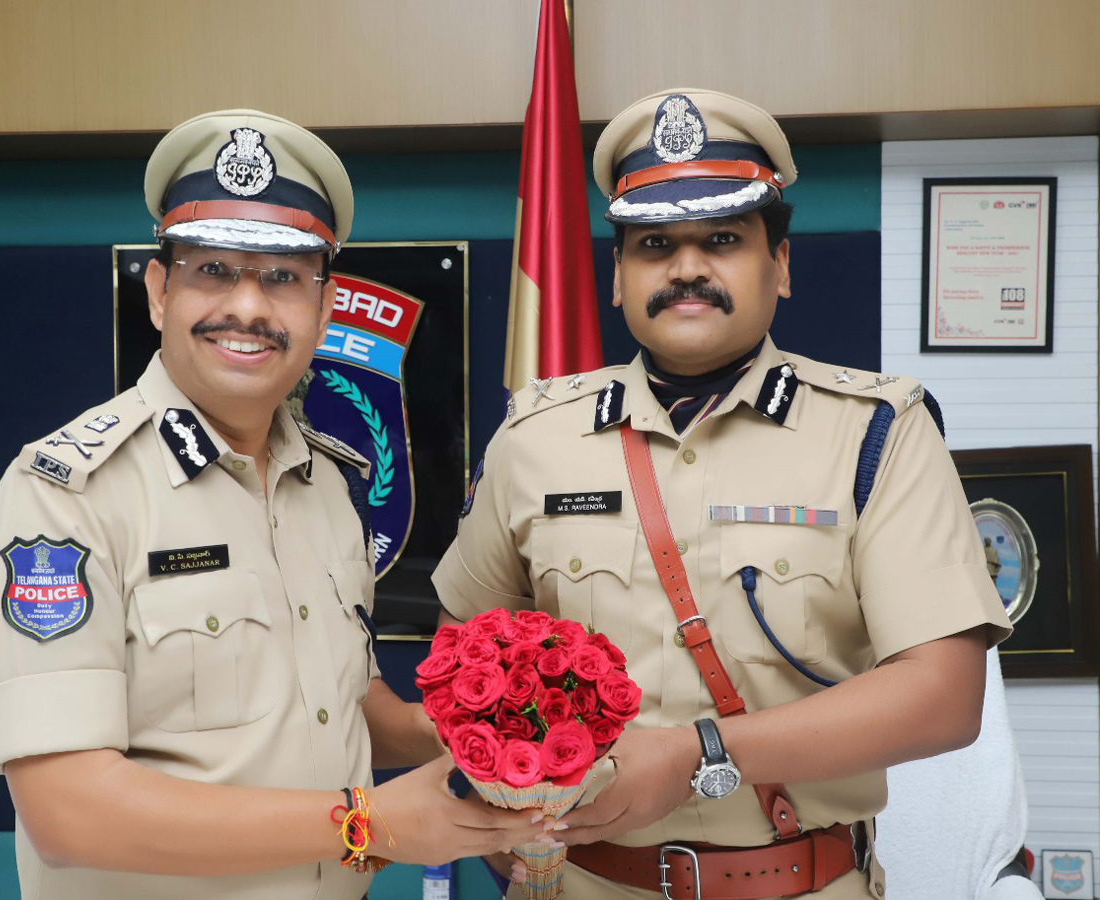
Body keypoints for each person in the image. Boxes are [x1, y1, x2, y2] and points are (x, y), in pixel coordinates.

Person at [432, 88, 1013, 899]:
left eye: (723, 239)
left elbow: (944, 697)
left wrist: (698, 752)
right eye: (654, 245)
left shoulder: (877, 433)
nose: (686, 268)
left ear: (781, 264)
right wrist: (509, 833)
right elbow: (462, 667)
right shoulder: (534, 438)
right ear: (617, 276)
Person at [0, 109, 552, 900]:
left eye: (282, 277)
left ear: (325, 307)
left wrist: (450, 733)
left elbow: (332, 701)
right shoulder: (65, 499)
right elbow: (68, 814)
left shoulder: (327, 484)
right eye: (213, 270)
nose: (248, 307)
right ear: (160, 292)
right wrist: (366, 824)